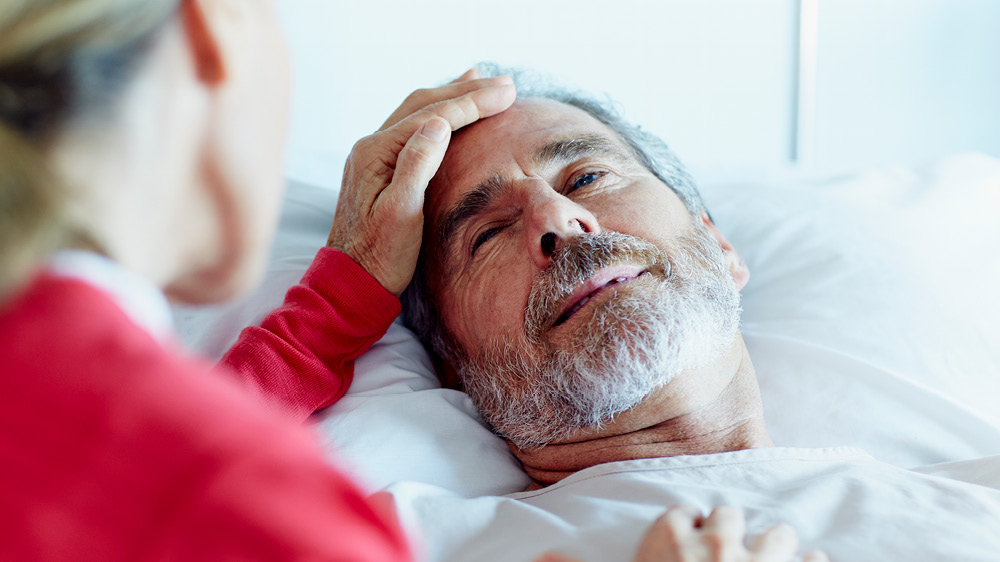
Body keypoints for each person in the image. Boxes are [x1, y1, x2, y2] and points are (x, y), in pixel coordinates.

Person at [0, 2, 798, 561]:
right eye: (485, 234)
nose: (558, 220)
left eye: (589, 175)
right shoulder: (370, 530)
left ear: (720, 245)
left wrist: (331, 304)